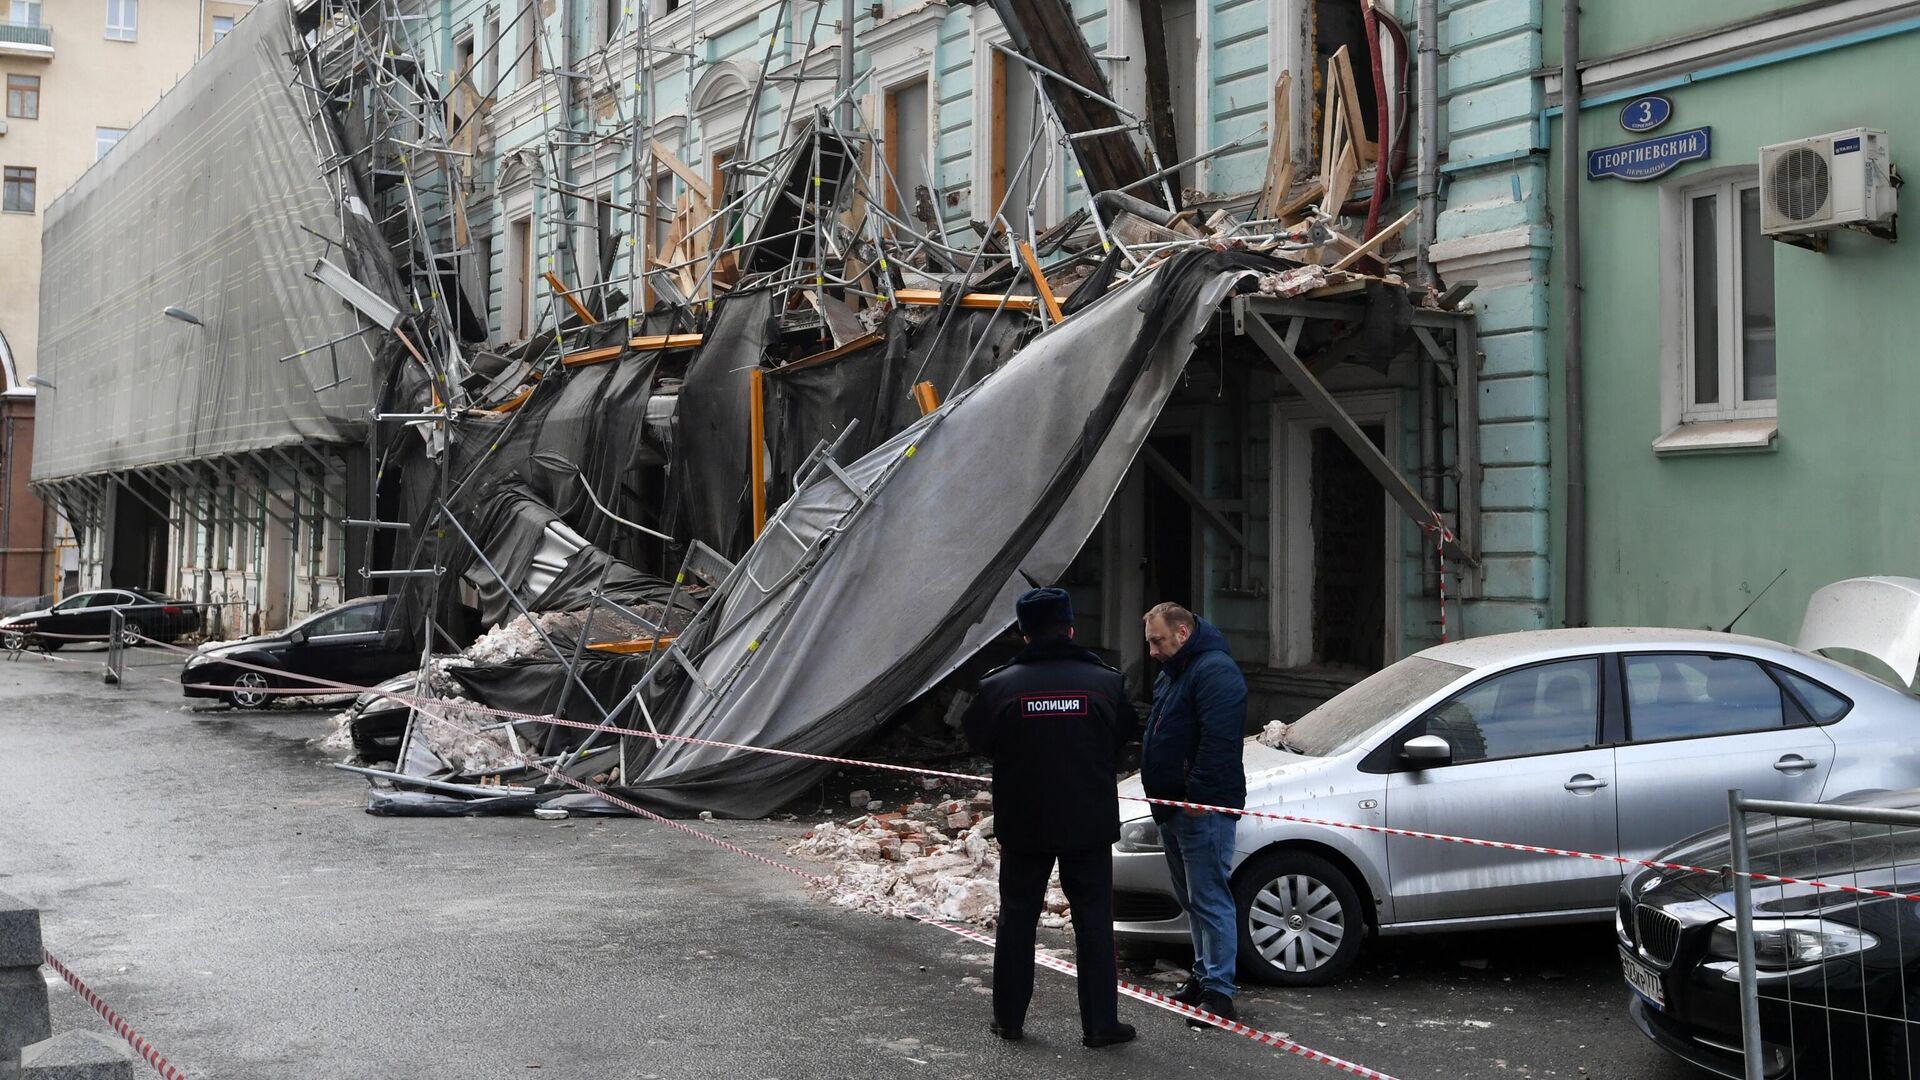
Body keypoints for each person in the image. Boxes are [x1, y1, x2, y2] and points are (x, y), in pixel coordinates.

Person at [962, 587, 1137, 1049]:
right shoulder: (1106, 682)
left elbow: (979, 739)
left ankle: (1009, 1020)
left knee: (1017, 921)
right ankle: (1100, 1025)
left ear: (1023, 634)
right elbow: (1122, 736)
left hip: (1025, 824)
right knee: (1094, 923)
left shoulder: (999, 686)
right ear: (1072, 627)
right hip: (1088, 821)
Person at [1139, 602, 1247, 1027]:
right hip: (1173, 806)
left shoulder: (1214, 671)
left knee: (1210, 899)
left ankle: (1219, 993)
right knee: (1193, 900)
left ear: (1182, 633)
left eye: (1157, 641)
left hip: (1199, 809)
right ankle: (1203, 979)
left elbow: (1219, 742)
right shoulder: (1177, 670)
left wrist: (1197, 797)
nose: (1151, 651)